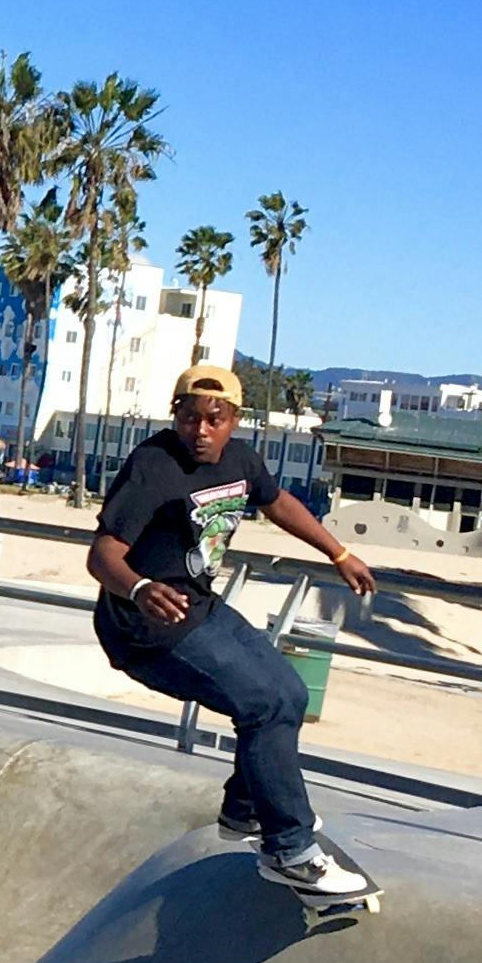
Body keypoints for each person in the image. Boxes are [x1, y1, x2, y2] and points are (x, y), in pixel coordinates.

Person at [87, 365, 377, 900]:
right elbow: (102, 553)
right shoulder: (153, 466)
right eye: (189, 418)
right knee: (263, 701)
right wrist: (138, 587)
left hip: (198, 606)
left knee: (289, 691)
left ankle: (246, 811)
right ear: (175, 414)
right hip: (143, 626)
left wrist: (338, 552)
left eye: (213, 420)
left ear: (233, 421)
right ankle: (289, 850)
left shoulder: (241, 460)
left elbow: (277, 502)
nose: (200, 431)